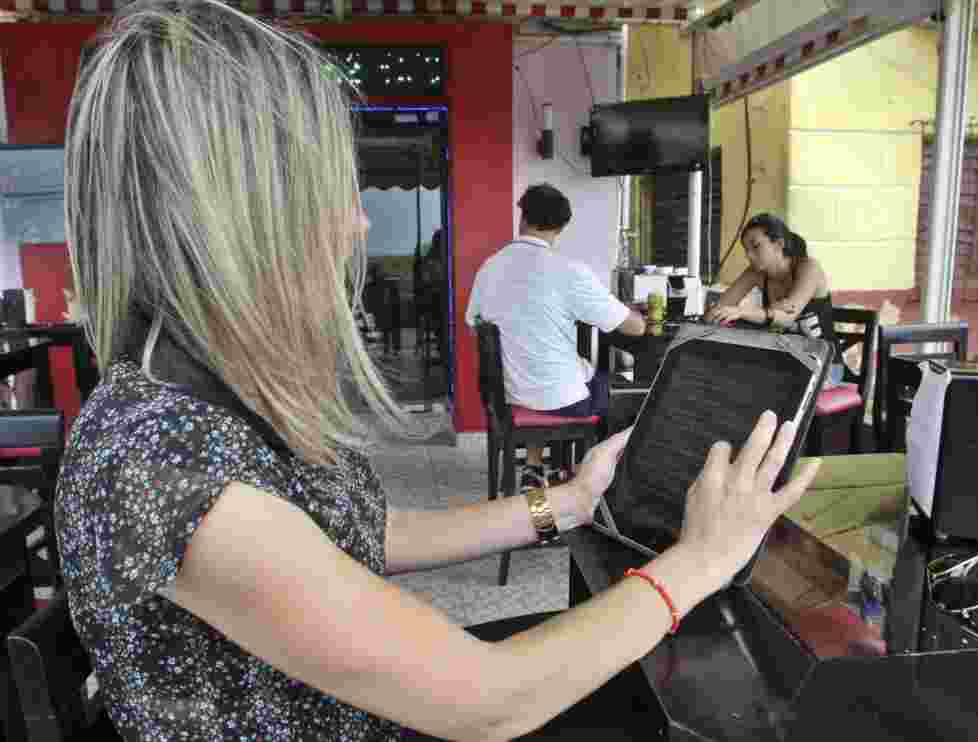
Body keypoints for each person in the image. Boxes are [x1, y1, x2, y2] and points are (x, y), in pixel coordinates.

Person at [58, 3, 820, 741]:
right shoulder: (161, 462)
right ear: (236, 218)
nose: (358, 222)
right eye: (332, 192)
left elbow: (363, 532)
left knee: (647, 677)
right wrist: (701, 561)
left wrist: (571, 500)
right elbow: (490, 703)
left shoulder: (201, 399)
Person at [465, 183, 646, 488]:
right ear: (562, 227)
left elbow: (474, 320)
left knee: (562, 373)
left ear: (522, 217)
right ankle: (580, 481)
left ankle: (535, 468)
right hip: (559, 402)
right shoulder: (569, 270)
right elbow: (635, 327)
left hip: (510, 395)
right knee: (610, 386)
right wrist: (635, 312)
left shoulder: (489, 267)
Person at [705, 213, 835, 345]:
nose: (749, 255)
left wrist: (742, 311)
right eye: (746, 250)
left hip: (824, 362)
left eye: (756, 246)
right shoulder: (756, 272)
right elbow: (718, 310)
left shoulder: (809, 267)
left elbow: (787, 317)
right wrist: (717, 312)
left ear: (779, 244)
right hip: (782, 358)